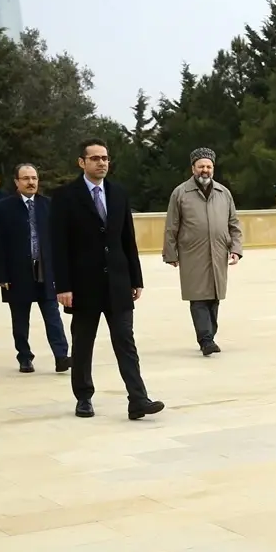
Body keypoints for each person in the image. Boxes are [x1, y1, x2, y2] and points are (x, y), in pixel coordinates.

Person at [50, 138, 164, 420]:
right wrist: (62, 286)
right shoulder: (65, 196)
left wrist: (136, 278)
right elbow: (59, 245)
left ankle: (138, 399)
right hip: (83, 285)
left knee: (126, 341)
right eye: (95, 158)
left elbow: (128, 239)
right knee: (83, 344)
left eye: (105, 158)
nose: (102, 163)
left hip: (118, 283)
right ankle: (84, 397)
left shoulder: (118, 193)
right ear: (82, 162)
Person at [162, 148, 243, 356]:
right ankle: (205, 339)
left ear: (213, 169)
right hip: (192, 253)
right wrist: (170, 253)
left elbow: (234, 224)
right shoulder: (180, 193)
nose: (205, 170)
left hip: (218, 252)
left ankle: (209, 336)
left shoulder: (223, 193)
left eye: (208, 167)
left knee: (214, 297)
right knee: (198, 297)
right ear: (193, 168)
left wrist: (235, 249)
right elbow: (172, 225)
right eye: (201, 166)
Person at [0, 164, 71, 373]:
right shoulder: (3, 208)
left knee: (52, 316)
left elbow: (59, 241)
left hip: (45, 271)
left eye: (34, 178)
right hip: (17, 272)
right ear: (17, 182)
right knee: (20, 319)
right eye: (26, 178)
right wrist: (1, 274)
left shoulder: (48, 205)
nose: (31, 182)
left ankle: (61, 356)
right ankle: (24, 357)